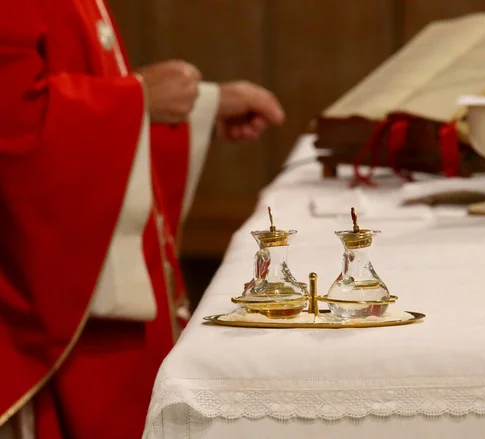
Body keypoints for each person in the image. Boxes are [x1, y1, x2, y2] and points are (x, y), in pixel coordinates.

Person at [0, 1, 284, 438]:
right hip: (47, 310)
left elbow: (75, 88)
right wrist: (138, 97)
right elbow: (15, 127)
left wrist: (199, 107)